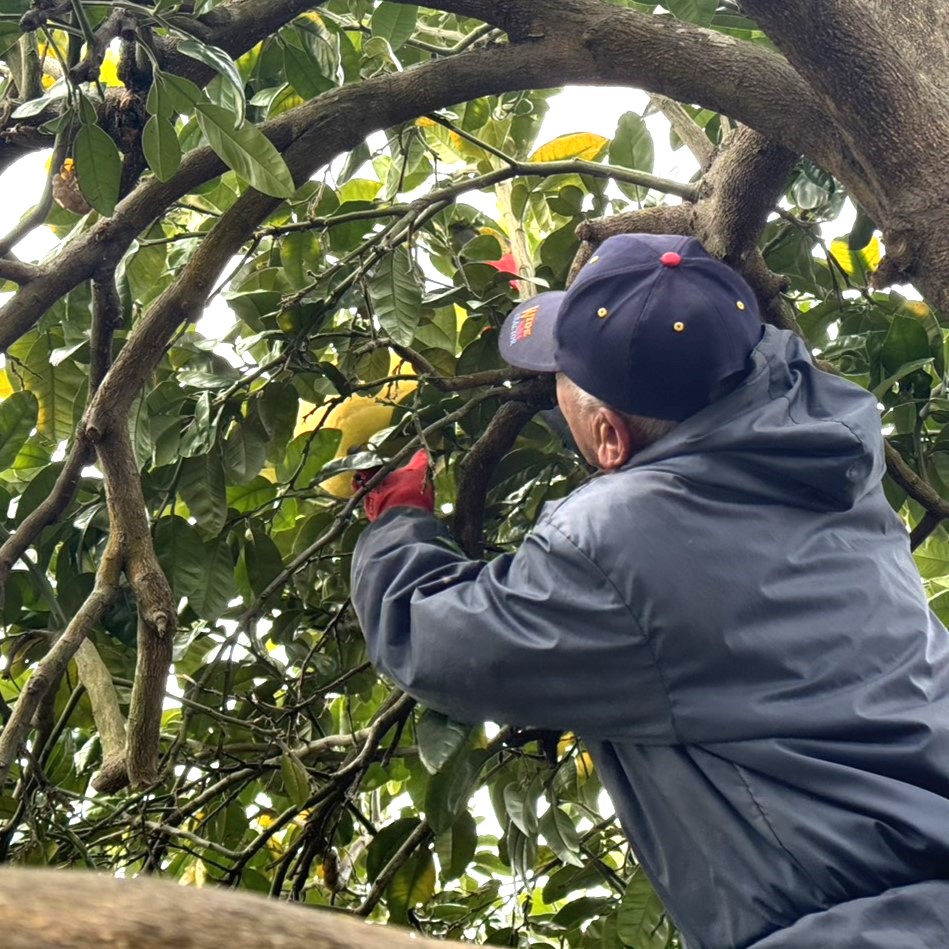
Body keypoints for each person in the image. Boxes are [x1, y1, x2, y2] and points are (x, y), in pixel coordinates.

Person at [349, 233, 949, 948]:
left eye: (561, 379)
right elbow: (680, 449)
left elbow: (426, 636)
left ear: (608, 438)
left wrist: (397, 519)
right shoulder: (825, 433)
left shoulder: (612, 549)